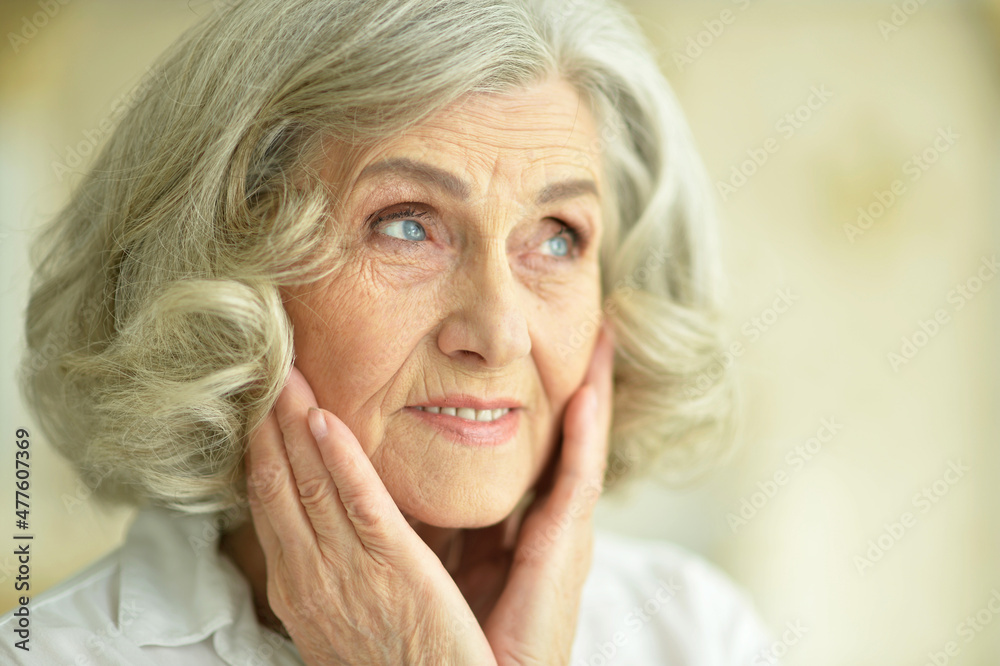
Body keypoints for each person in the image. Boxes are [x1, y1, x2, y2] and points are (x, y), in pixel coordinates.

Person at [1, 0, 775, 663]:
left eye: (557, 238)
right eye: (407, 226)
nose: (499, 333)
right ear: (226, 276)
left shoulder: (695, 633)